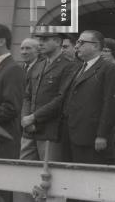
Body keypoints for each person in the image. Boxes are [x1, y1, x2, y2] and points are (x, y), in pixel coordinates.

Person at [62, 30, 115, 164]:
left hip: (92, 138)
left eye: (81, 42)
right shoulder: (78, 68)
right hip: (72, 135)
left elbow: (111, 105)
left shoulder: (109, 69)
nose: (77, 46)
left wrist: (102, 135)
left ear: (95, 46)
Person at [20, 32, 75, 162]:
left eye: (45, 40)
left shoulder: (68, 66)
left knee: (48, 173)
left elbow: (61, 99)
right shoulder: (38, 65)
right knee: (24, 171)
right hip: (29, 130)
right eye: (39, 40)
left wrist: (33, 118)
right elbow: (27, 96)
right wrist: (25, 118)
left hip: (50, 130)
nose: (40, 43)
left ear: (57, 41)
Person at [0, 24, 25, 202]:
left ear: (1, 41)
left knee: (2, 190)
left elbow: (11, 108)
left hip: (3, 141)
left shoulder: (12, 69)